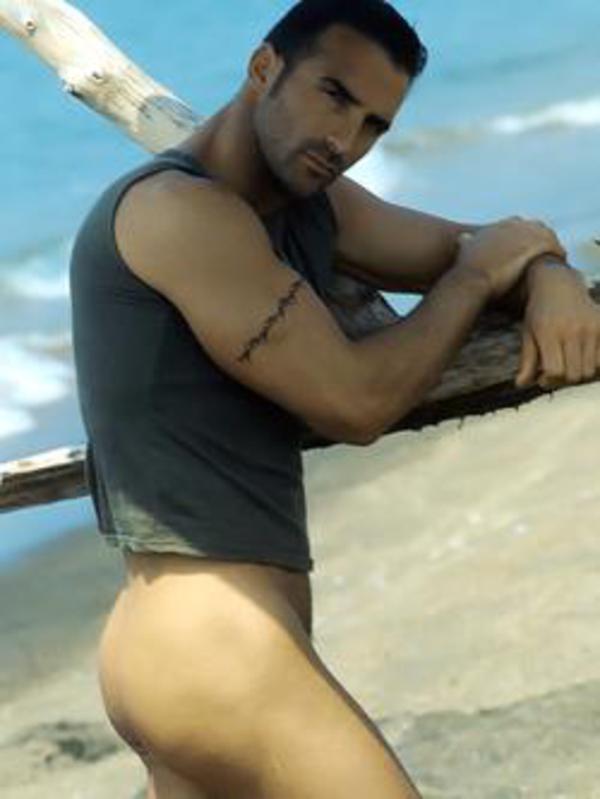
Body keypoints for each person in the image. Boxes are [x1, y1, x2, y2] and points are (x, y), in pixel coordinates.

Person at [69, 1, 600, 797]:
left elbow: (487, 245)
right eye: (334, 96)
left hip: (207, 640)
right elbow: (356, 401)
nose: (345, 140)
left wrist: (551, 276)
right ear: (263, 68)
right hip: (210, 638)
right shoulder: (177, 211)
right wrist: (472, 281)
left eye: (374, 125)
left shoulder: (309, 207)